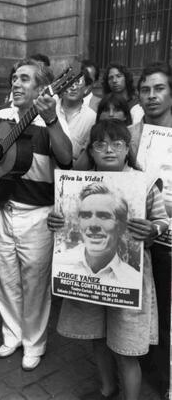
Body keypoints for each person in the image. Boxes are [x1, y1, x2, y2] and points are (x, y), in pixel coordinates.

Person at [47, 120, 168, 400]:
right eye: (100, 144)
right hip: (88, 277)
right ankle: (107, 389)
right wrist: (55, 221)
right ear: (91, 150)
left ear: (128, 149)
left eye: (117, 144)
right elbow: (66, 226)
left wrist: (154, 228)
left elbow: (163, 220)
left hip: (130, 277)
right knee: (97, 338)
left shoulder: (145, 183)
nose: (109, 150)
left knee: (125, 348)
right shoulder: (77, 184)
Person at [0, 58, 72, 371]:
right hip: (5, 209)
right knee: (7, 279)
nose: (16, 84)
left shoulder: (51, 118)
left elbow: (67, 158)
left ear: (42, 88)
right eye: (14, 78)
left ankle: (34, 342)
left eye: (24, 79)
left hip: (38, 215)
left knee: (35, 283)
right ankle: (12, 334)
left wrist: (52, 120)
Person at [130, 61, 172, 395]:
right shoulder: (129, 137)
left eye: (159, 88)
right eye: (145, 89)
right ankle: (146, 372)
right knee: (143, 312)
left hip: (170, 241)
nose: (151, 95)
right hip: (137, 242)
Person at [52, 182, 140, 288]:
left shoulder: (132, 280)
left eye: (103, 216)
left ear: (121, 227)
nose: (93, 225)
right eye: (86, 216)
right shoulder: (59, 264)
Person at [56, 68, 96, 161]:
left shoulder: (91, 117)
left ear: (86, 88)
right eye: (69, 82)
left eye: (78, 82)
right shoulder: (51, 109)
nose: (73, 87)